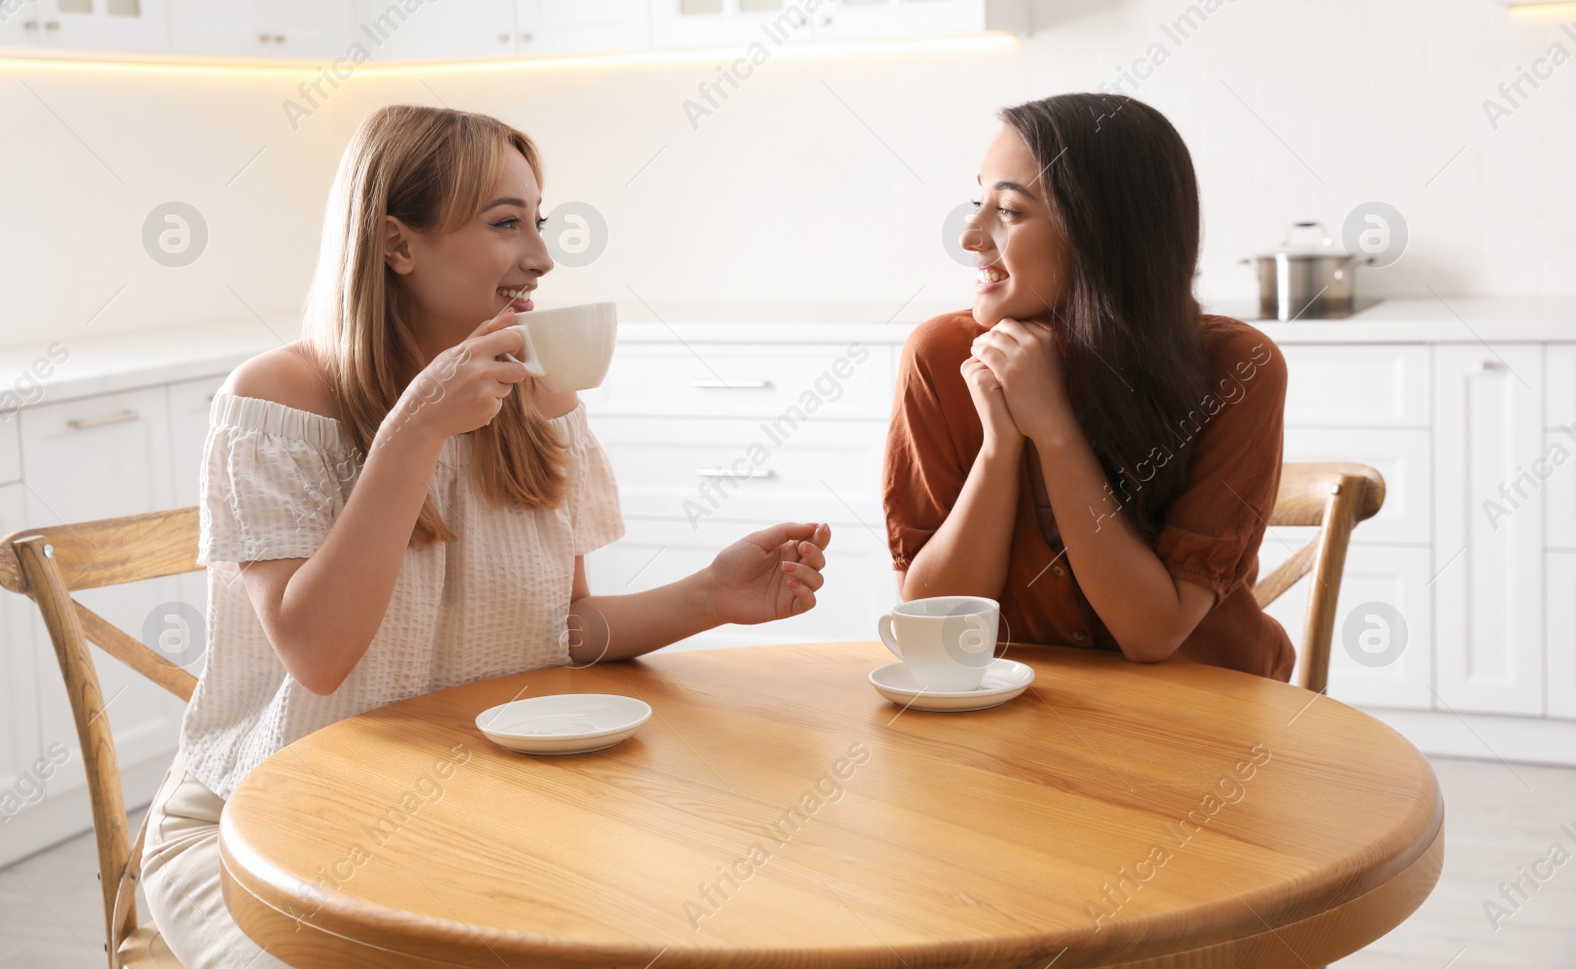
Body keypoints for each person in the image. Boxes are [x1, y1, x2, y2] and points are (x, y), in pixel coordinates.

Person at [139, 104, 832, 967]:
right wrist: (412, 432)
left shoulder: (537, 399)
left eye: (538, 225)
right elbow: (318, 655)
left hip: (456, 814)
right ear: (397, 243)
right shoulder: (280, 399)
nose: (541, 258)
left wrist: (711, 596)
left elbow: (564, 629)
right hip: (256, 837)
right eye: (508, 225)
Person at [882, 93, 1294, 681]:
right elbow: (934, 623)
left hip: (1206, 712)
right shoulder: (940, 357)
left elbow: (1153, 633)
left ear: (1103, 234)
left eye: (1011, 211)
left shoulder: (1239, 368)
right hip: (1026, 710)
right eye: (978, 202)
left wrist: (1052, 429)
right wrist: (1000, 446)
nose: (970, 236)